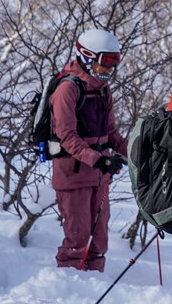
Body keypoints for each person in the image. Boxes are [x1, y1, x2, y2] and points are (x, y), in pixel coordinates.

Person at [50, 28, 129, 271]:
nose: (109, 69)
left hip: (99, 175)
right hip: (73, 176)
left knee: (100, 238)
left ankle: (95, 281)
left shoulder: (103, 89)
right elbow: (67, 137)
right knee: (78, 237)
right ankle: (70, 285)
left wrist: (135, 154)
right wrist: (99, 160)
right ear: (87, 56)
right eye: (105, 61)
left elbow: (111, 133)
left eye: (114, 62)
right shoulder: (68, 89)